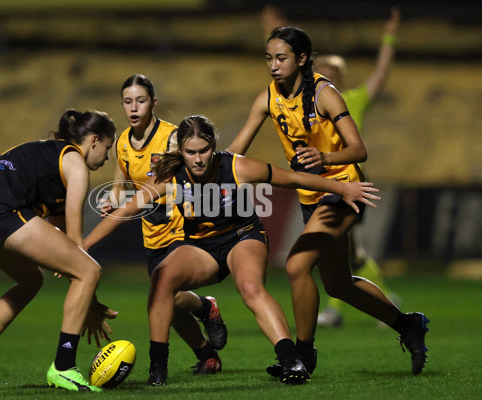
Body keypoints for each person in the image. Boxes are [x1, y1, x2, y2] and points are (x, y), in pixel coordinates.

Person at [84, 114, 381, 386]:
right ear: (181, 152)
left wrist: (341, 188)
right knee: (161, 279)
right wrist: (83, 248)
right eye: (191, 152)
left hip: (242, 238)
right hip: (201, 247)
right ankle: (157, 371)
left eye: (204, 151)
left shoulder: (236, 166)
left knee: (250, 287)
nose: (198, 159)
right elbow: (123, 212)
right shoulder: (170, 177)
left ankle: (292, 362)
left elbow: (292, 179)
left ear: (213, 146)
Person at [226, 26, 429, 377]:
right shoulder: (268, 97)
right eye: (269, 58)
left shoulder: (325, 94)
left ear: (302, 59)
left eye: (281, 58)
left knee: (296, 266)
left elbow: (358, 150)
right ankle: (407, 325)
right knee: (338, 284)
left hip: (344, 191)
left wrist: (324, 158)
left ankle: (303, 355)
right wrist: (192, 164)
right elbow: (233, 152)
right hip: (311, 198)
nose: (273, 66)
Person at [0, 109, 118, 392]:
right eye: (107, 147)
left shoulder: (48, 156)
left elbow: (58, 238)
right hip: (1, 212)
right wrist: (90, 303)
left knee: (32, 280)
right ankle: (64, 367)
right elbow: (76, 243)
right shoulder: (75, 164)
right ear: (93, 140)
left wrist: (71, 269)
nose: (107, 158)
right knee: (90, 270)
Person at [261, 4, 404, 328]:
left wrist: (390, 38)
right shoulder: (297, 95)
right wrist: (274, 28)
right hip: (315, 189)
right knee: (343, 260)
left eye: (327, 68)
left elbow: (380, 74)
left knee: (323, 256)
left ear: (338, 75)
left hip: (344, 185)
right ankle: (391, 311)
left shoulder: (350, 98)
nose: (319, 71)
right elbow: (284, 55)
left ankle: (324, 326)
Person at [99, 74, 227, 375]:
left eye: (141, 101)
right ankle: (207, 348)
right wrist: (112, 199)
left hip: (182, 227)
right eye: (128, 102)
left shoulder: (172, 137)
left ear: (153, 103)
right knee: (168, 305)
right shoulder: (122, 144)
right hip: (152, 232)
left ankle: (171, 357)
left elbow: (191, 174)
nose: (134, 108)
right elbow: (122, 186)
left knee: (163, 296)